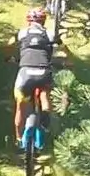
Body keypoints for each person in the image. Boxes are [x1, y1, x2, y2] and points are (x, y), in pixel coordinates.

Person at [9, 7, 56, 141]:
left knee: (20, 106)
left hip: (25, 73)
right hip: (43, 71)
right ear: (44, 21)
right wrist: (70, 60)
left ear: (28, 20)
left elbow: (9, 44)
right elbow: (63, 47)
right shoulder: (49, 34)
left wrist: (8, 57)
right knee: (45, 92)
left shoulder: (23, 32)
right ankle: (46, 113)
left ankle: (18, 138)